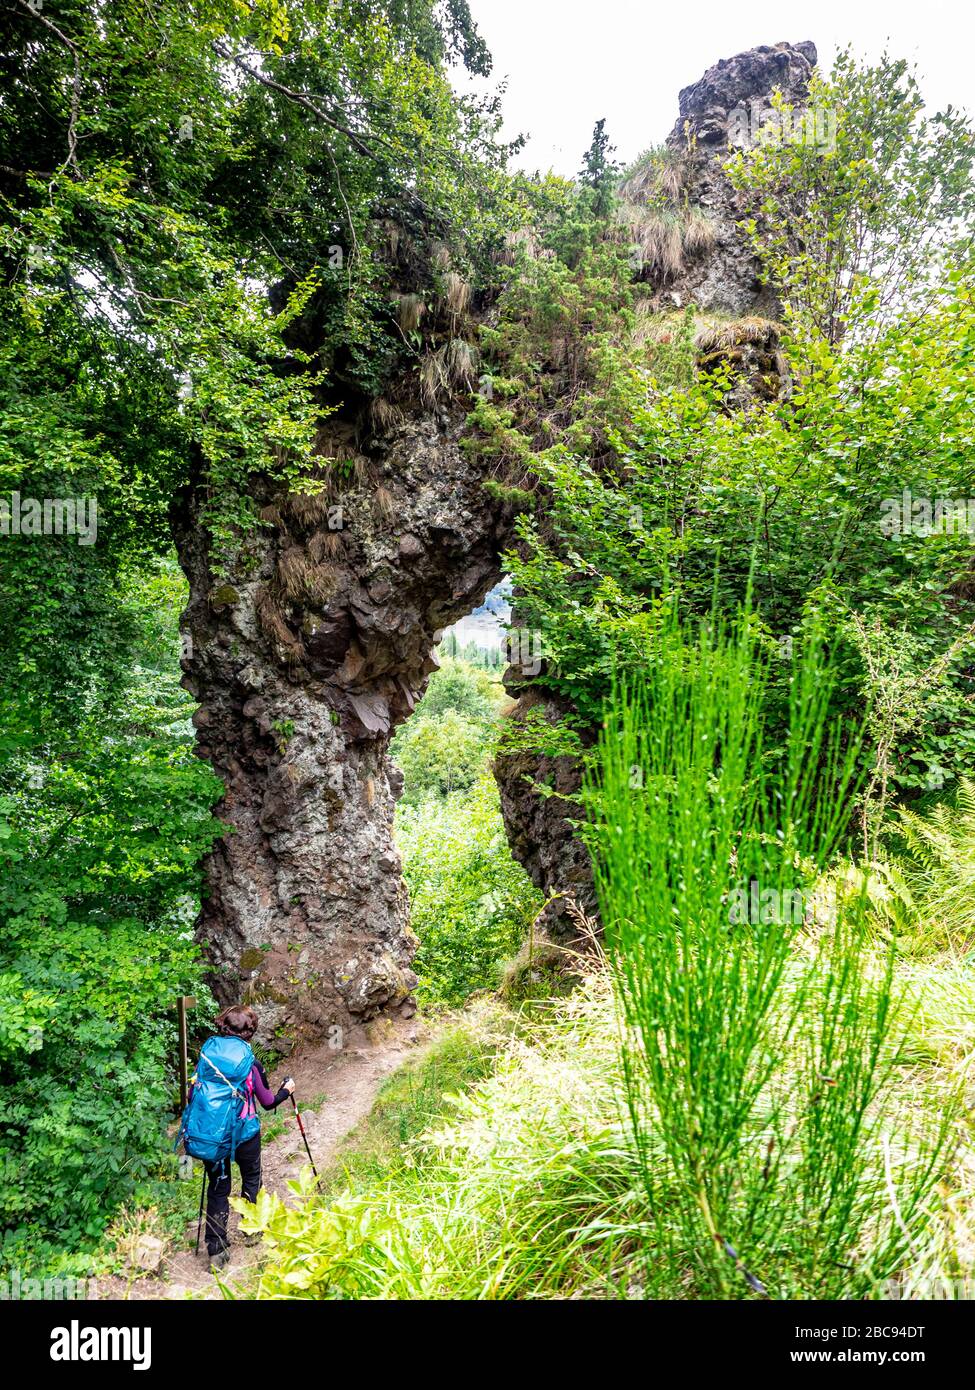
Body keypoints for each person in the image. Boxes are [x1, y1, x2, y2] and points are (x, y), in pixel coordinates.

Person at [188, 1003, 294, 1269]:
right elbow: (268, 1101)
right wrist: (287, 1090)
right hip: (245, 1133)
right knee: (251, 1178)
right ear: (250, 1032)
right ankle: (251, 1229)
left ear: (223, 1026)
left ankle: (215, 1249)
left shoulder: (207, 1059)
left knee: (218, 1189)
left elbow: (192, 1095)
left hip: (215, 1136)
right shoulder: (251, 1063)